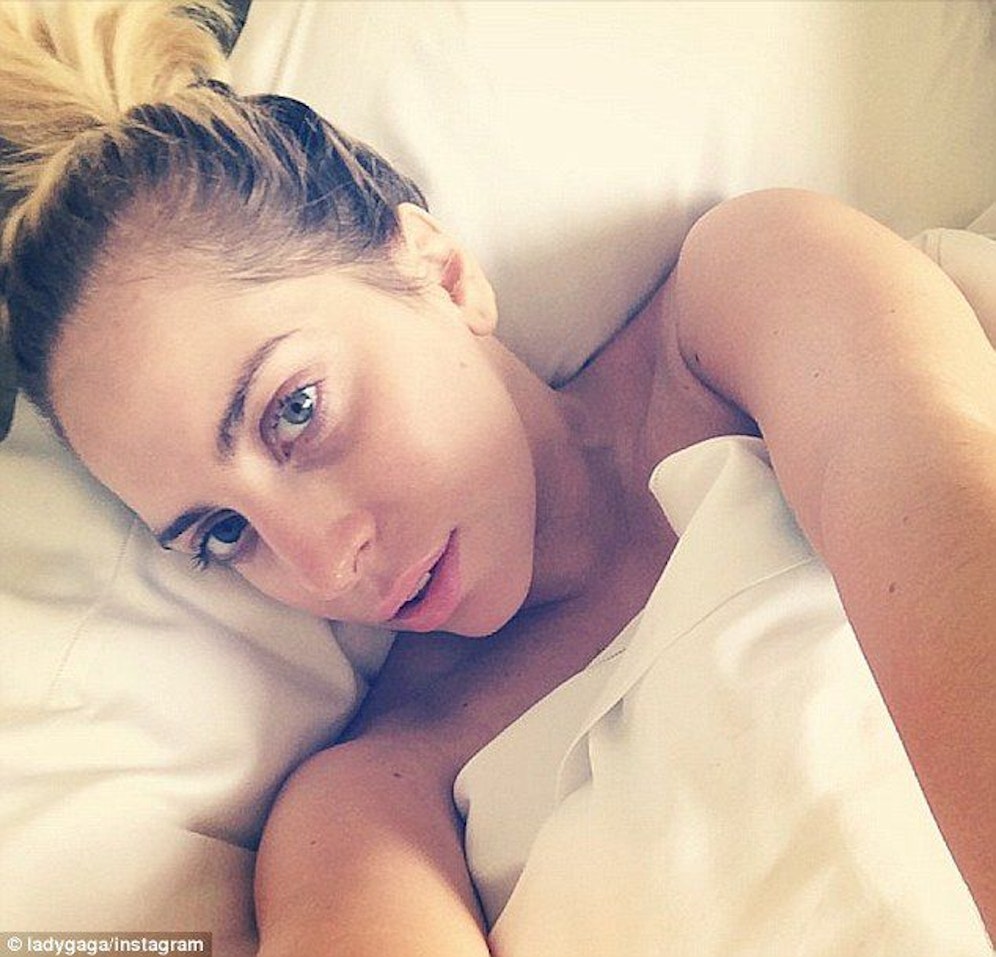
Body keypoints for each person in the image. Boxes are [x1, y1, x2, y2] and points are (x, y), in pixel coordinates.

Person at [1, 2, 993, 954]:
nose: (321, 565)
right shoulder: (366, 799)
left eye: (295, 410)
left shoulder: (746, 296)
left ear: (439, 273)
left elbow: (940, 506)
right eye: (224, 532)